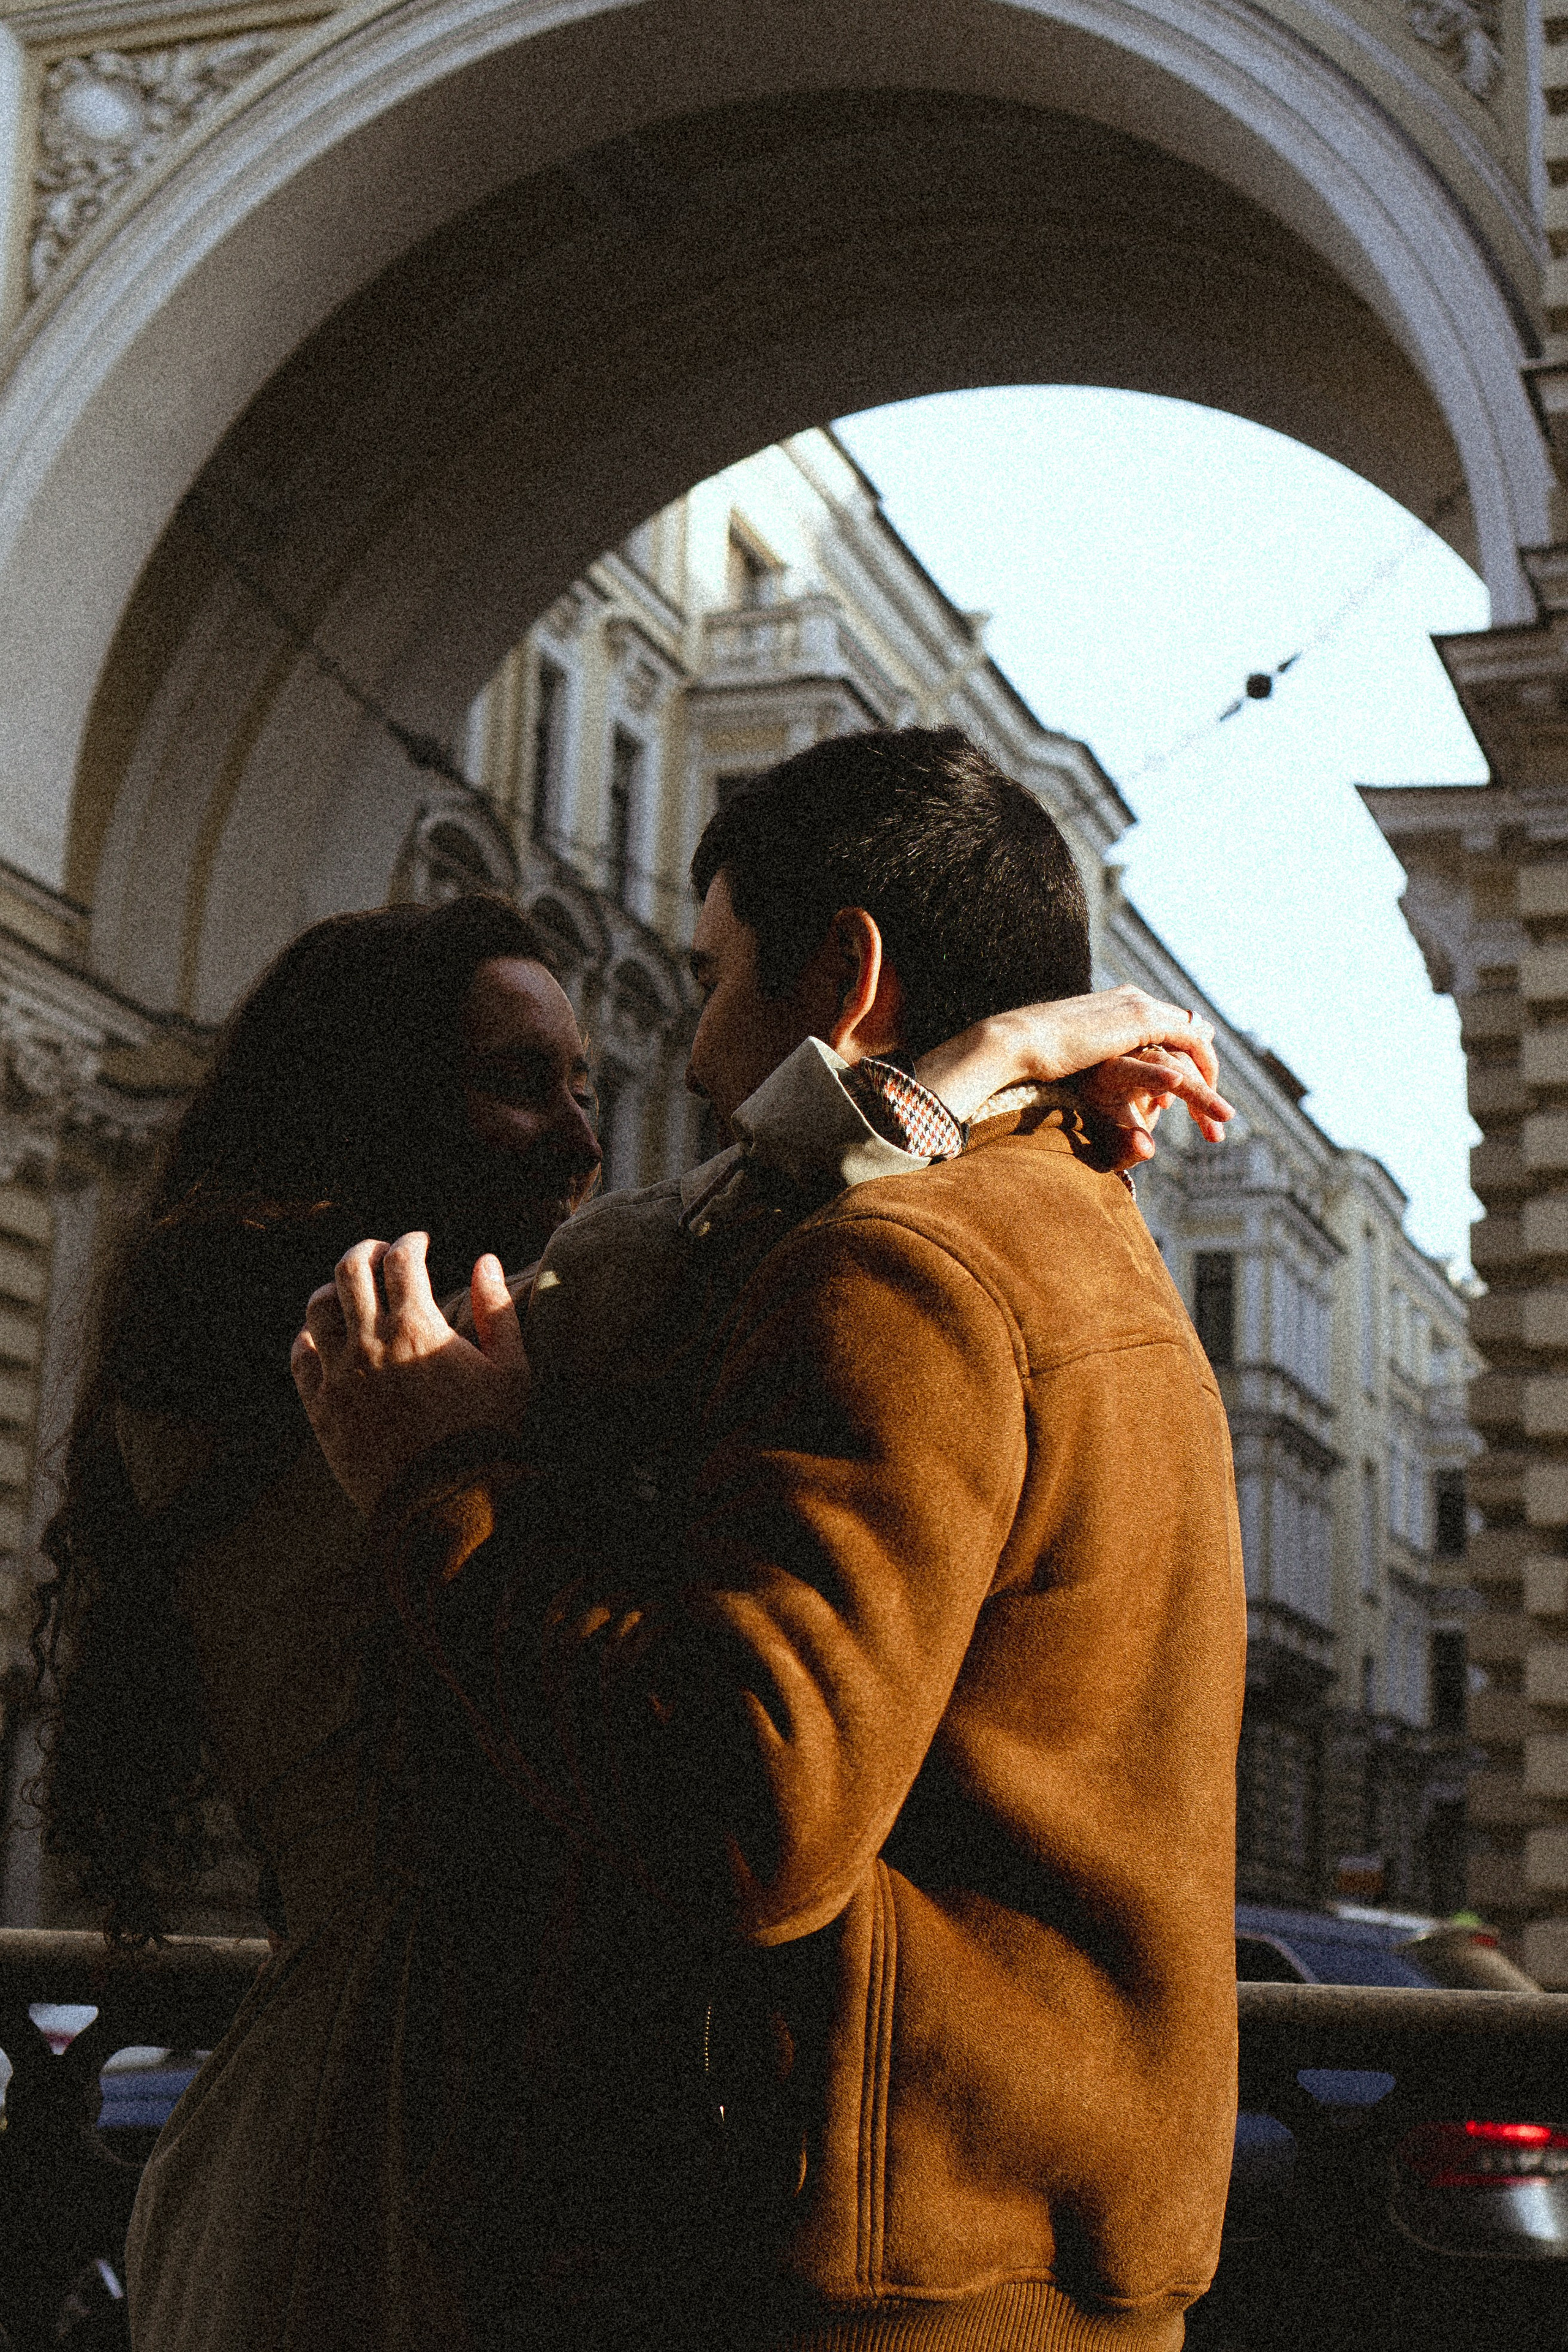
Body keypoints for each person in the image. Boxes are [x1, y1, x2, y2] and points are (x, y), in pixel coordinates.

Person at [35, 876, 1225, 2352]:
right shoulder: (360, 1347)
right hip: (383, 2173)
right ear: (373, 1100)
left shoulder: (251, 1331)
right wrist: (965, 1075)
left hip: (352, 2127)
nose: (584, 1134)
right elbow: (689, 1246)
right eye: (517, 1085)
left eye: (583, 1083)